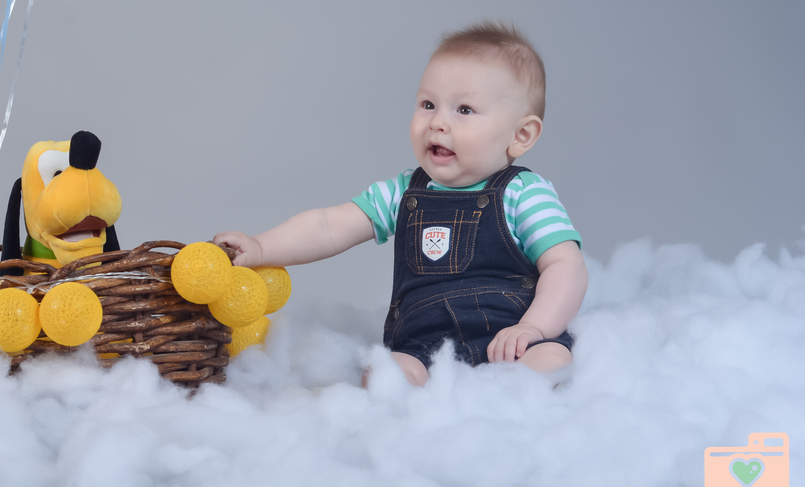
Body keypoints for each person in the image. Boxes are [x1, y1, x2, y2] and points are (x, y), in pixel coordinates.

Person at [214, 22, 589, 387]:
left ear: (520, 135)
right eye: (428, 104)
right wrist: (260, 247)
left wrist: (534, 327)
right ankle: (415, 398)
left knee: (551, 359)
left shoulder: (523, 193)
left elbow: (565, 265)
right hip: (422, 347)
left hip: (510, 339)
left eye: (464, 110)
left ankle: (507, 397)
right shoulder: (404, 192)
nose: (437, 122)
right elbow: (329, 226)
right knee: (385, 373)